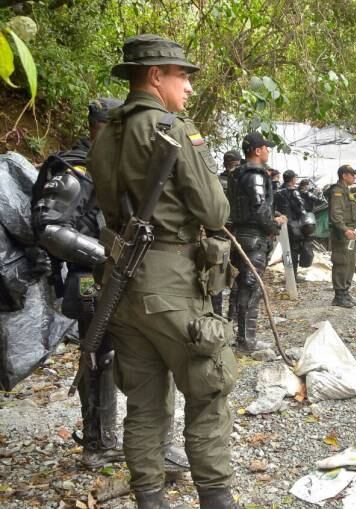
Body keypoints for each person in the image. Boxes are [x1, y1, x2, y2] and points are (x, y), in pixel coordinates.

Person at [88, 34, 237, 507]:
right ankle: (216, 499)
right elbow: (215, 210)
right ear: (156, 76)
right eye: (182, 76)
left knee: (144, 405)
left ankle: (150, 499)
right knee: (208, 394)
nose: (188, 87)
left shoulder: (105, 135)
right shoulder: (171, 128)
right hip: (173, 286)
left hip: (122, 287)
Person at [32, 98, 126, 469]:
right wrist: (107, 256)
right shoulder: (79, 169)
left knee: (108, 352)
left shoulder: (108, 164)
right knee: (99, 353)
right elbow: (51, 229)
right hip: (89, 276)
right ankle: (98, 442)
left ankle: (105, 439)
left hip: (111, 275)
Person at [229, 132, 287, 350]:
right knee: (251, 288)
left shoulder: (238, 174)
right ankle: (246, 340)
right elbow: (260, 209)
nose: (268, 151)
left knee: (242, 287)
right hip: (253, 238)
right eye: (265, 147)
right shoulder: (255, 175)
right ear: (257, 150)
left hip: (241, 235)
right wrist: (274, 226)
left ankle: (240, 336)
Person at [212, 149, 242, 317]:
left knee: (218, 271)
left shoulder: (215, 181)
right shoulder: (241, 181)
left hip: (218, 231)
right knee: (234, 270)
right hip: (230, 231)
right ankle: (232, 313)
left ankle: (219, 314)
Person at [328, 165, 356, 307]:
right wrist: (345, 229)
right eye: (352, 175)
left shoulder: (347, 191)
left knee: (350, 262)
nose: (354, 177)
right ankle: (339, 296)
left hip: (350, 232)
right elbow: (336, 214)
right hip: (342, 233)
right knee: (341, 262)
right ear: (344, 175)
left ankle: (345, 292)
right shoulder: (337, 191)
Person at [274, 169, 306, 278]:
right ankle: (293, 276)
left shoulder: (277, 192)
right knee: (293, 252)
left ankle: (289, 274)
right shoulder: (295, 192)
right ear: (293, 179)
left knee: (286, 251)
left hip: (281, 224)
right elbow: (302, 210)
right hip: (293, 226)